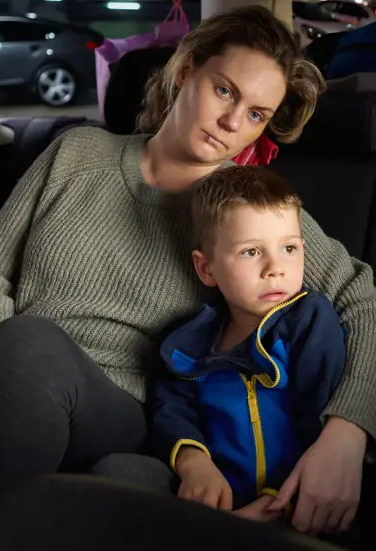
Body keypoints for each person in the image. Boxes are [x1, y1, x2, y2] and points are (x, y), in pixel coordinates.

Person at [0, 4, 376, 537]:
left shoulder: (242, 214)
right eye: (225, 90)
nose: (233, 122)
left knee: (27, 346)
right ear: (186, 72)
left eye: (256, 114)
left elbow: (368, 308)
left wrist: (346, 435)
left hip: (119, 413)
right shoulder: (76, 152)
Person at [148, 166, 346, 523]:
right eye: (251, 252)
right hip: (214, 502)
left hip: (295, 507)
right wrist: (195, 463)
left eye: (289, 248)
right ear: (206, 269)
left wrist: (277, 504)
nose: (275, 268)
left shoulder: (309, 323)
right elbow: (173, 409)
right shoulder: (189, 342)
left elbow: (318, 425)